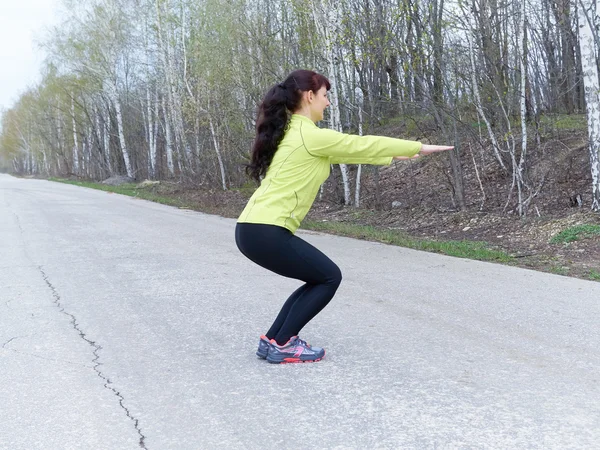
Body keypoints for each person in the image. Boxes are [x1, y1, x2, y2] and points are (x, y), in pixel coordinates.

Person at [235, 69, 453, 364]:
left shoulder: (292, 133)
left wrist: (397, 154)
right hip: (266, 229)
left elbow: (353, 152)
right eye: (325, 96)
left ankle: (274, 340)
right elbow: (359, 144)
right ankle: (283, 343)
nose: (327, 103)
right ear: (309, 96)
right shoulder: (309, 135)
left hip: (252, 228)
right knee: (328, 277)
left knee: (316, 278)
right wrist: (417, 147)